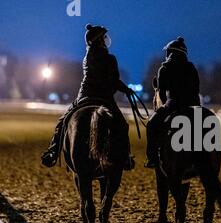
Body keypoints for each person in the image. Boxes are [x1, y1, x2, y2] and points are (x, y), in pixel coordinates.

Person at [41, 24, 135, 170]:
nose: (106, 40)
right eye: (104, 38)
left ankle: (53, 151)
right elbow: (114, 81)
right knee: (122, 125)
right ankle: (125, 157)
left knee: (63, 121)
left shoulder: (87, 57)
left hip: (84, 96)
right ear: (99, 41)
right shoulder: (110, 58)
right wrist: (127, 90)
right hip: (103, 97)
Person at [145, 37, 201, 168]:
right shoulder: (192, 68)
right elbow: (196, 89)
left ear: (170, 52)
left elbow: (162, 93)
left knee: (151, 124)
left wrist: (165, 105)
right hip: (192, 106)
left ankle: (152, 157)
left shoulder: (164, 68)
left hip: (172, 105)